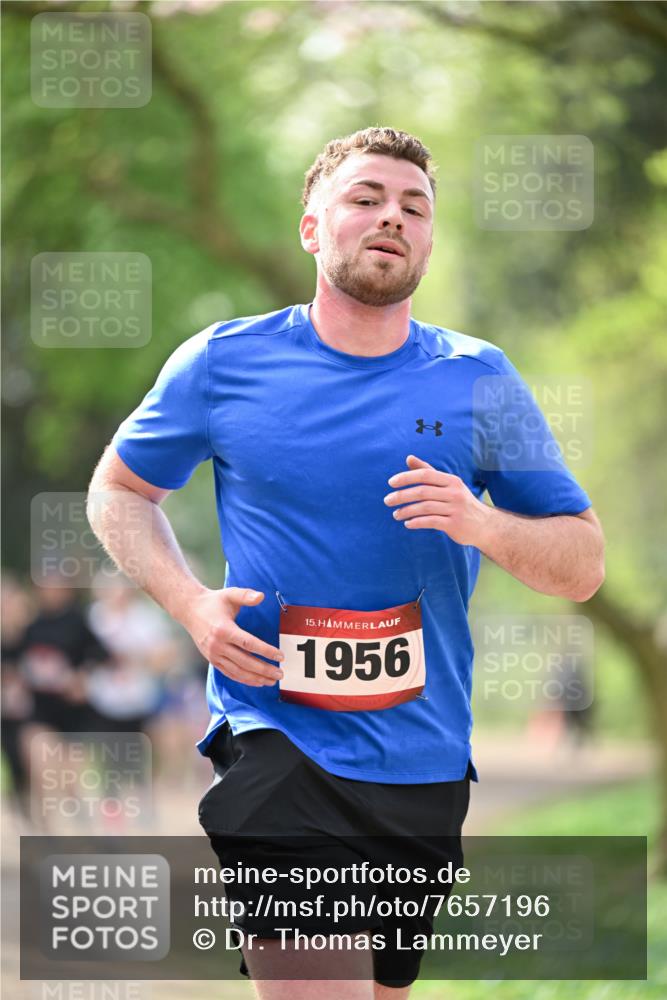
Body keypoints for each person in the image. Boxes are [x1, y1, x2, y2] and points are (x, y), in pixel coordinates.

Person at [88, 127, 604, 999]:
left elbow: (581, 563)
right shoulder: (224, 361)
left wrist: (483, 524)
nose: (390, 218)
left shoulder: (479, 377)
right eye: (365, 198)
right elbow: (117, 491)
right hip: (275, 738)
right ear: (311, 228)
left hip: (422, 757)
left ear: (430, 240)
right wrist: (189, 604)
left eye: (413, 206)